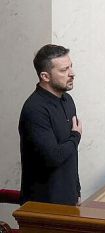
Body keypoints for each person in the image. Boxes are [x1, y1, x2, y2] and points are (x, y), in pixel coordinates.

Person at [19, 44, 82, 205]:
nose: (72, 73)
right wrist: (76, 136)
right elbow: (53, 157)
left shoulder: (67, 100)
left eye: (71, 67)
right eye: (63, 70)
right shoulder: (35, 109)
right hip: (43, 206)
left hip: (68, 200)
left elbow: (71, 155)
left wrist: (77, 190)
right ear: (45, 76)